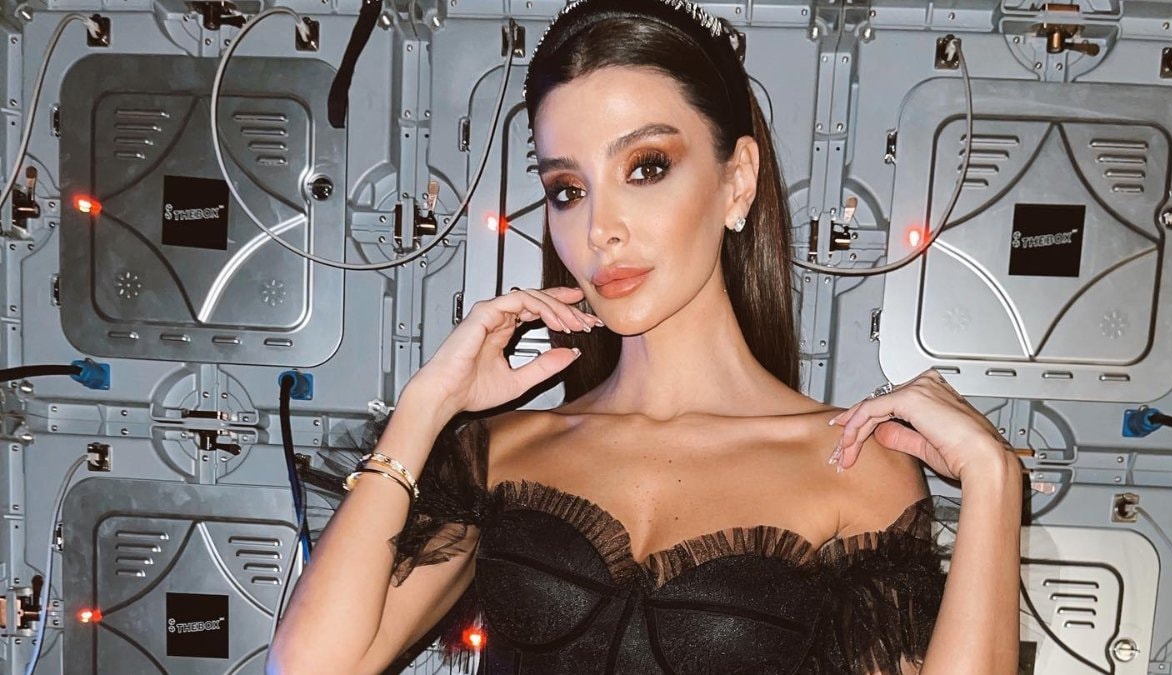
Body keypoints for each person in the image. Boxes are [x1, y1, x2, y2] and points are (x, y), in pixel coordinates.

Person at [267, 0, 1023, 673]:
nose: (600, 228)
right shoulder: (500, 454)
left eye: (646, 167)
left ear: (737, 181)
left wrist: (993, 482)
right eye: (568, 189)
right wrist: (427, 406)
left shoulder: (853, 465)